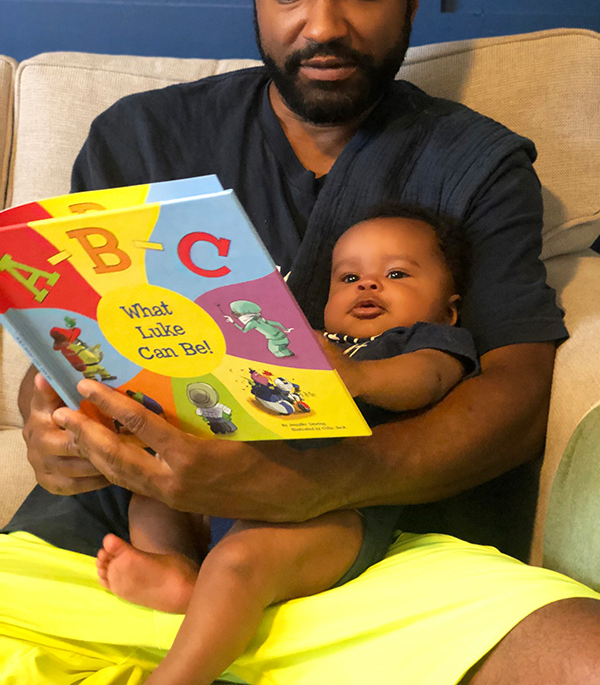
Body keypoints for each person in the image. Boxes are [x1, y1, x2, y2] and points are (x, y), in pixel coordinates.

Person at [3, 0, 600, 683]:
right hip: (124, 553)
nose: (322, 25)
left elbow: (519, 396)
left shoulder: (475, 162)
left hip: (367, 559)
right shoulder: (138, 139)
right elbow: (68, 355)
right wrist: (49, 427)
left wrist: (315, 484)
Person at [94, 204, 479, 685]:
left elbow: (427, 378)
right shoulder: (304, 339)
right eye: (349, 277)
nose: (368, 285)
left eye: (396, 273)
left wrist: (361, 375)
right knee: (152, 489)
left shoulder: (421, 342)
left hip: (333, 514)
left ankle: (174, 677)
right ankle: (177, 568)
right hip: (232, 489)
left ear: (449, 307)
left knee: (240, 562)